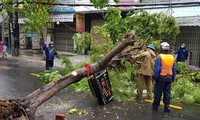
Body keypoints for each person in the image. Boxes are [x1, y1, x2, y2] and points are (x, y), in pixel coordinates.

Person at [152, 42, 176, 113]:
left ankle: (155, 107)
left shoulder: (160, 57)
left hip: (161, 78)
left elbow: (157, 70)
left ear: (161, 48)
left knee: (158, 93)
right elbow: (173, 69)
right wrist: (173, 78)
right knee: (167, 93)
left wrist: (154, 78)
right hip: (169, 77)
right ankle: (167, 107)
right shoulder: (172, 57)